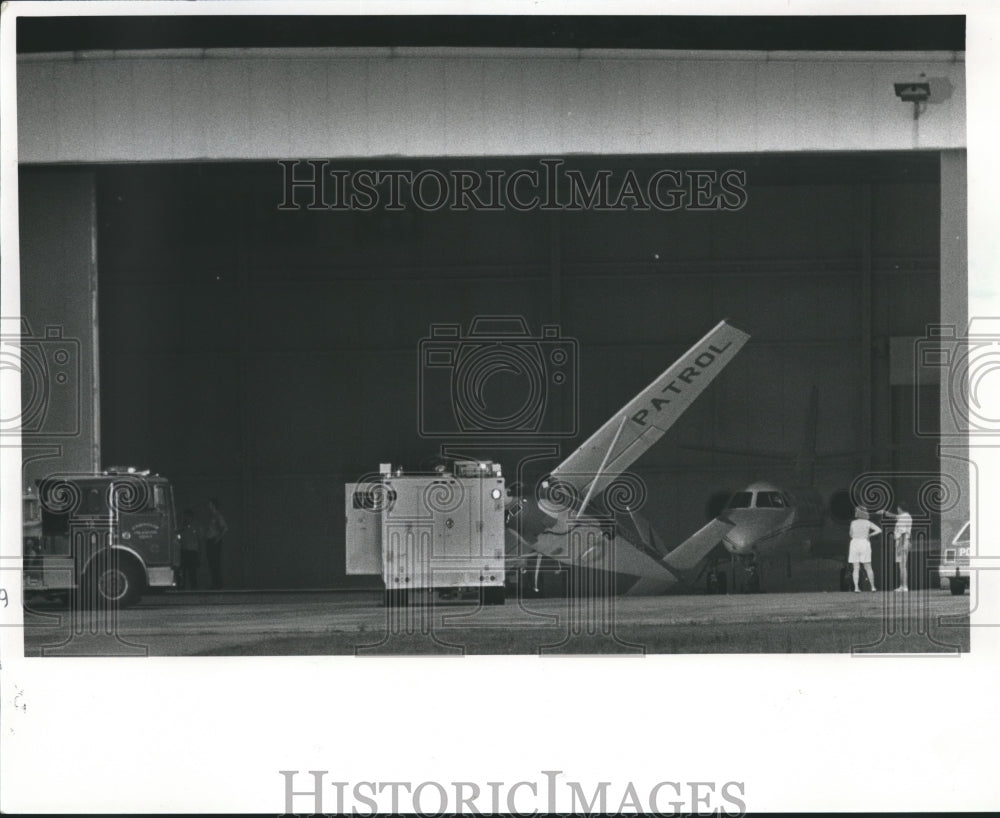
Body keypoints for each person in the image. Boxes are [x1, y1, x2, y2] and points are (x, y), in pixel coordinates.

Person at [848, 507, 881, 592]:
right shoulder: (867, 522)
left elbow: (851, 535)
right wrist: (869, 535)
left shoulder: (853, 523)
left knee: (856, 567)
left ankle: (856, 587)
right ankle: (873, 587)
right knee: (868, 566)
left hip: (854, 543)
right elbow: (879, 530)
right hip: (864, 543)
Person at [204, 498, 228, 590]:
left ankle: (218, 584)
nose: (208, 506)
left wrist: (217, 539)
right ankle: (215, 583)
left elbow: (225, 528)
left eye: (209, 504)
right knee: (212, 563)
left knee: (215, 563)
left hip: (214, 541)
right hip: (210, 541)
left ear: (213, 505)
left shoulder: (218, 516)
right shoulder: (212, 516)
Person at [177, 508, 203, 590]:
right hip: (184, 551)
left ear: (191, 517)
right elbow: (177, 534)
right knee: (182, 571)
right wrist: (182, 524)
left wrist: (199, 551)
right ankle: (181, 587)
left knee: (192, 571)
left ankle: (194, 588)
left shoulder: (196, 526)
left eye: (187, 516)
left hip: (192, 551)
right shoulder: (182, 526)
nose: (186, 518)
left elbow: (199, 539)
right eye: (185, 516)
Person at [892, 502, 913, 591]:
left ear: (900, 508)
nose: (897, 510)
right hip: (905, 541)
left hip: (902, 542)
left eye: (898, 509)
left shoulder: (903, 518)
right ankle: (903, 586)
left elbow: (903, 533)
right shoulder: (907, 516)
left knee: (902, 566)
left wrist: (900, 546)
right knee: (903, 565)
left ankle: (903, 586)